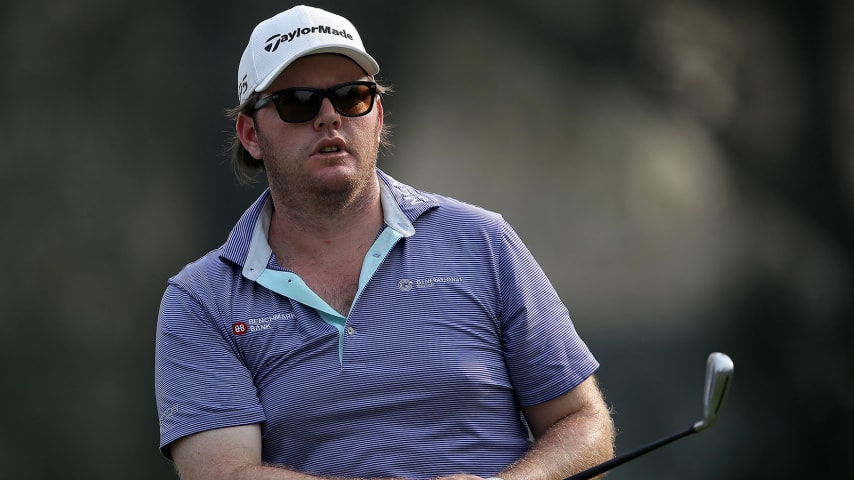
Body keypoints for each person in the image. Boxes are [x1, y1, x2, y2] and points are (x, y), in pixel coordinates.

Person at [155, 5, 614, 480]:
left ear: (376, 116)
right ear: (251, 134)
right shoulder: (201, 300)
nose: (329, 117)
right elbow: (225, 476)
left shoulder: (484, 242)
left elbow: (582, 422)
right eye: (298, 102)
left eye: (352, 96)